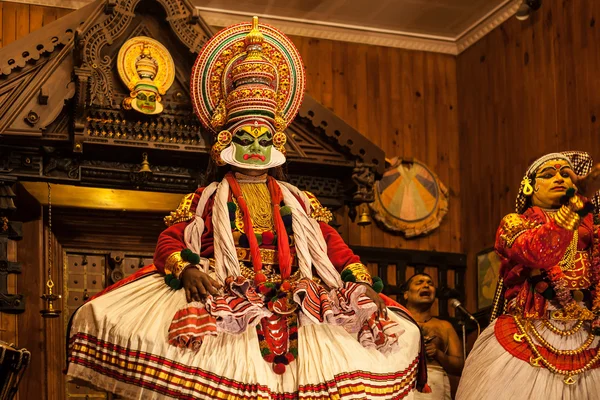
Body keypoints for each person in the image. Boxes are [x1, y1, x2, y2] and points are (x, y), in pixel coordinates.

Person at [66, 17, 424, 399]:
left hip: (300, 297)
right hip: (224, 294)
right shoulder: (205, 198)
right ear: (225, 139)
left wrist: (358, 278)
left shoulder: (299, 202)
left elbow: (331, 245)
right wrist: (186, 269)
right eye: (245, 137)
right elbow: (170, 243)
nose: (254, 146)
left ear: (276, 142)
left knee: (397, 336)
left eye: (263, 137)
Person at [456, 152, 600, 400]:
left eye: (566, 175)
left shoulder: (593, 230)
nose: (559, 178)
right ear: (529, 186)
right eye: (548, 174)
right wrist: (573, 207)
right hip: (530, 325)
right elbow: (536, 253)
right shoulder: (513, 223)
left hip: (587, 326)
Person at [403, 273, 464, 400]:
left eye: (430, 283)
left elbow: (460, 366)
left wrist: (438, 354)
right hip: (403, 382)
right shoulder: (396, 321)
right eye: (419, 283)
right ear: (406, 294)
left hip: (436, 386)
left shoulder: (445, 326)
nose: (426, 285)